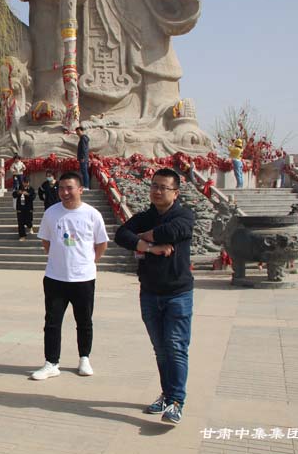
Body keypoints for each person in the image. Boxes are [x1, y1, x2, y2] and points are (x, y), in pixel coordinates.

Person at [114, 168, 195, 425]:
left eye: (163, 187)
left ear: (176, 193)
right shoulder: (144, 216)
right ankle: (167, 394)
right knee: (161, 349)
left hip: (178, 294)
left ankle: (177, 401)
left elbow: (174, 231)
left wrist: (144, 235)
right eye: (154, 186)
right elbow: (121, 235)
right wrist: (149, 247)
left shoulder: (184, 215)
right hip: (149, 293)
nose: (157, 191)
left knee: (176, 347)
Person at [32, 172, 108, 380]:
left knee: (84, 321)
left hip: (83, 278)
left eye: (69, 188)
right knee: (52, 322)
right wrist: (60, 259)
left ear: (80, 189)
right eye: (61, 188)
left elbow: (101, 243)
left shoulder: (92, 214)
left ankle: (84, 358)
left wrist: (88, 262)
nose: (65, 192)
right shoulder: (51, 213)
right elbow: (46, 241)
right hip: (55, 277)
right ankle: (51, 363)